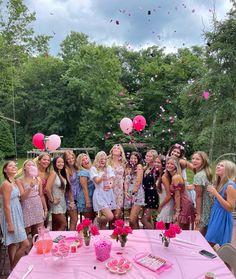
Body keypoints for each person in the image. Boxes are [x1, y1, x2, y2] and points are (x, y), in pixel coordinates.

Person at [0, 161, 29, 269]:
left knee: (12, 243)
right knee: (25, 243)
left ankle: (13, 267)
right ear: (5, 170)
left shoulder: (14, 182)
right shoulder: (6, 185)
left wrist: (30, 186)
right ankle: (14, 267)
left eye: (15, 165)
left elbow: (22, 197)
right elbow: (6, 206)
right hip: (10, 215)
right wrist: (9, 223)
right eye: (10, 166)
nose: (14, 167)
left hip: (17, 213)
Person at [206, 160, 236, 246]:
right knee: (214, 244)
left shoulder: (230, 186)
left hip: (223, 217)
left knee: (210, 243)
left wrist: (215, 193)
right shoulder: (220, 184)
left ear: (228, 170)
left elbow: (230, 208)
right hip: (216, 215)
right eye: (218, 165)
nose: (218, 166)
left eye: (222, 166)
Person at [16, 160, 47, 237]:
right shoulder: (19, 180)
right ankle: (26, 248)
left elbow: (41, 195)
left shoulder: (38, 179)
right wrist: (30, 187)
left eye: (33, 165)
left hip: (37, 204)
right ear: (24, 168)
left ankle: (37, 247)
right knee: (25, 231)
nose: (31, 166)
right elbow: (22, 197)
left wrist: (45, 209)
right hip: (26, 205)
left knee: (39, 231)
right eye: (28, 165)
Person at [165, 156, 195, 230]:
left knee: (176, 228)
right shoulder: (172, 176)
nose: (169, 165)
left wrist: (177, 211)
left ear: (176, 166)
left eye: (172, 164)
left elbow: (177, 195)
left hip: (184, 204)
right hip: (181, 204)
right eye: (168, 163)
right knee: (183, 230)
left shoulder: (176, 177)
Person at [46, 157, 73, 231]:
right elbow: (47, 188)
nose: (61, 164)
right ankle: (56, 240)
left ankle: (55, 241)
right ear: (54, 163)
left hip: (62, 202)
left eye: (62, 162)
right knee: (64, 224)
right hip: (55, 203)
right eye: (58, 162)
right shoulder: (53, 173)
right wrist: (52, 200)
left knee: (57, 225)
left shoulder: (61, 173)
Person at [90, 151, 116, 229]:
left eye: (104, 159)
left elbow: (111, 179)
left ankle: (102, 235)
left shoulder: (109, 168)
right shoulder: (93, 169)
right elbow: (97, 181)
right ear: (97, 160)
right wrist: (102, 175)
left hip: (108, 194)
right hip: (99, 195)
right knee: (110, 216)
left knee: (104, 223)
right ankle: (97, 220)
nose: (103, 161)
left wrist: (110, 185)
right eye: (101, 159)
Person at [191, 151, 213, 235]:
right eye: (193, 158)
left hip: (204, 208)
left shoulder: (199, 175)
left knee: (197, 236)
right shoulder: (206, 172)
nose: (194, 161)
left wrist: (198, 214)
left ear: (203, 161)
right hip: (210, 206)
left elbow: (199, 196)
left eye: (197, 159)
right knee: (205, 236)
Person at [124, 152, 145, 229]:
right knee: (134, 220)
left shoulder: (139, 166)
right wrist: (126, 192)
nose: (133, 160)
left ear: (138, 159)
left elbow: (138, 181)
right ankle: (134, 236)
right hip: (129, 194)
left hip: (137, 194)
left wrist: (134, 192)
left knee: (131, 219)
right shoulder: (128, 168)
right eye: (131, 158)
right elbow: (126, 181)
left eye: (135, 158)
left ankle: (138, 235)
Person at [141, 149, 159, 229]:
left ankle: (155, 236)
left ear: (154, 158)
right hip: (145, 196)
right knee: (148, 219)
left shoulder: (156, 170)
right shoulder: (145, 168)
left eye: (150, 156)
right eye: (146, 156)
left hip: (152, 196)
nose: (147, 157)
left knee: (144, 220)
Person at [108, 144, 127, 220]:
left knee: (117, 215)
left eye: (118, 148)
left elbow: (125, 178)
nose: (116, 149)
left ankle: (117, 231)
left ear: (121, 152)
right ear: (112, 150)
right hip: (109, 189)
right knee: (110, 215)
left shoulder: (123, 163)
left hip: (119, 190)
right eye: (114, 148)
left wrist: (125, 190)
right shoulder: (107, 161)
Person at [156, 155, 174, 227]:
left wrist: (160, 206)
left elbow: (169, 195)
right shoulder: (160, 174)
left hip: (167, 203)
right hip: (164, 201)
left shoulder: (164, 177)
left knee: (161, 225)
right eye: (155, 162)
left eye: (159, 162)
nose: (156, 164)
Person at [77, 153, 95, 221]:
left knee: (92, 219)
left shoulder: (92, 170)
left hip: (93, 196)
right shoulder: (83, 173)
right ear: (80, 163)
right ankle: (85, 231)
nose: (85, 161)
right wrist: (88, 202)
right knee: (88, 220)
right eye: (83, 160)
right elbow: (84, 188)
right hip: (86, 198)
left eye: (86, 158)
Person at [63, 150, 79, 230]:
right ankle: (71, 236)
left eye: (72, 158)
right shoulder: (66, 170)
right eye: (68, 159)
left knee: (75, 219)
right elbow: (68, 187)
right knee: (74, 219)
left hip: (77, 196)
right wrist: (71, 201)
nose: (71, 160)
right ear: (65, 160)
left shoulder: (75, 167)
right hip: (70, 197)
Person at [37, 153, 51, 227]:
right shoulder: (34, 172)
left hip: (46, 199)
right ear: (39, 161)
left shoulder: (48, 173)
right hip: (36, 200)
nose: (46, 162)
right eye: (44, 159)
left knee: (45, 220)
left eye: (48, 160)